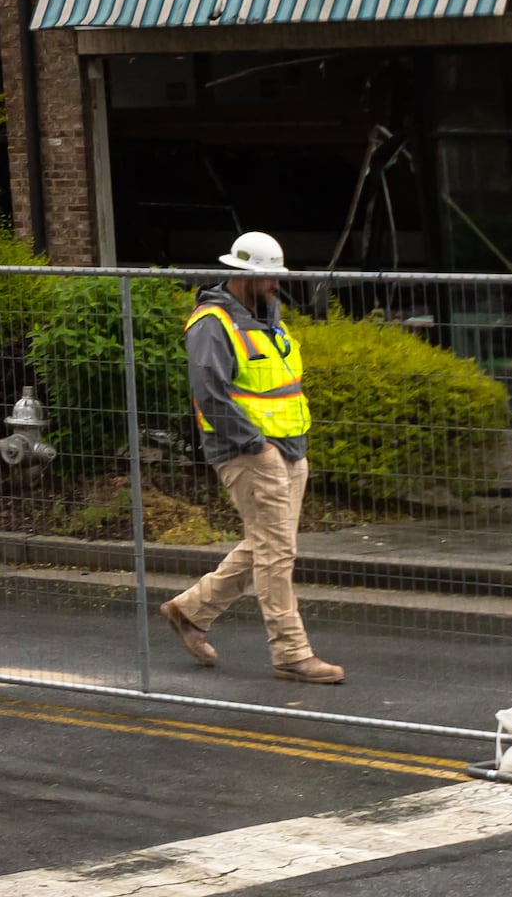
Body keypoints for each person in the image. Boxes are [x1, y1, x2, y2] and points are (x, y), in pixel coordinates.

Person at [161, 230, 342, 685]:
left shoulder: (269, 317)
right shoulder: (211, 324)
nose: (276, 284)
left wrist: (284, 445)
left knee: (269, 545)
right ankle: (291, 653)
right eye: (267, 277)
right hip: (249, 452)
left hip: (289, 448)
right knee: (276, 552)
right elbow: (210, 396)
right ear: (242, 275)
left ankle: (190, 610)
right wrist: (256, 445)